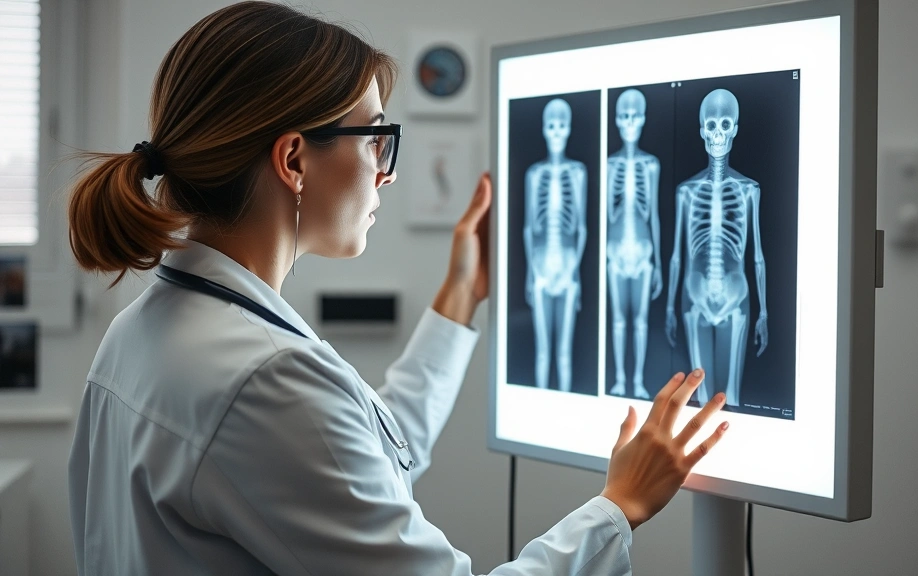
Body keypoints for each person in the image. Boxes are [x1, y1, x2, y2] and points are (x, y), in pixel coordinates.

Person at [65, 3, 729, 574]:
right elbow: (320, 443)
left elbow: (355, 459)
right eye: (377, 138)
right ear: (295, 159)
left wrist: (460, 295)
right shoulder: (262, 379)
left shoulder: (146, 331)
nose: (385, 173)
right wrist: (620, 507)